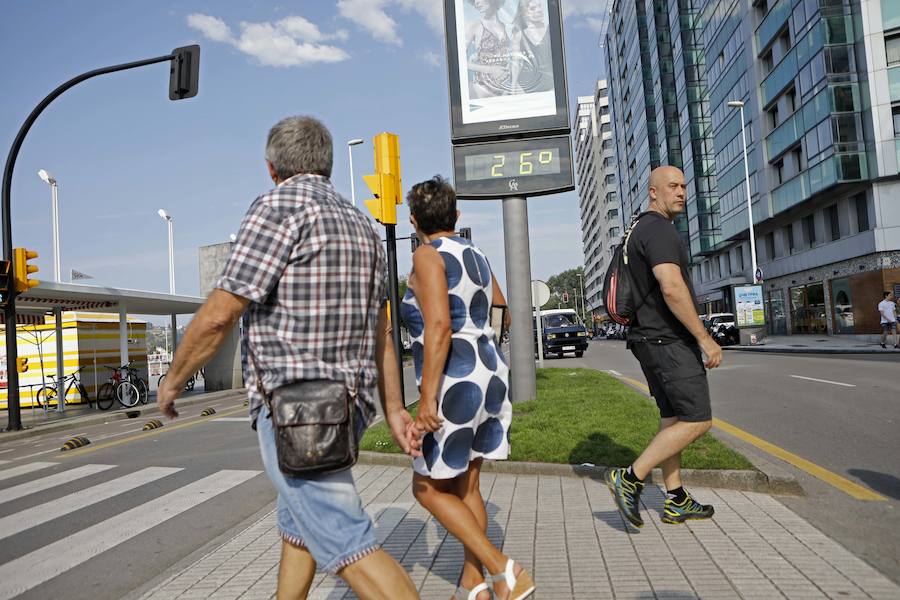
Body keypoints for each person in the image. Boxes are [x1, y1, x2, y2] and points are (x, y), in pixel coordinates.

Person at [157, 116, 420, 600]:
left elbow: (221, 312)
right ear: (329, 164)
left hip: (296, 410)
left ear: (271, 167)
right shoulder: (361, 222)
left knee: (347, 541)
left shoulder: (277, 208)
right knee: (299, 525)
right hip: (347, 406)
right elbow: (382, 328)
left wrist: (174, 380)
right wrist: (396, 407)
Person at [400, 176, 534, 600]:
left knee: (425, 488)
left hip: (454, 383)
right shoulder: (475, 253)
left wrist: (425, 402)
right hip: (490, 375)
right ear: (456, 215)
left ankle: (502, 569)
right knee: (468, 487)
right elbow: (502, 312)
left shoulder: (426, 255)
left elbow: (439, 326)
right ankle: (473, 582)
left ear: (413, 219)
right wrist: (482, 342)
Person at [605, 166, 722, 529]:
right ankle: (630, 478)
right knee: (698, 420)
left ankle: (675, 499)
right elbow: (671, 287)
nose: (682, 192)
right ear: (653, 192)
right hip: (667, 341)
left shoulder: (639, 228)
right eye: (673, 186)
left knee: (672, 419)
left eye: (684, 186)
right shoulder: (659, 230)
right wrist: (704, 338)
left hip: (647, 339)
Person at [466, 0, 512, 99]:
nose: (476, 3)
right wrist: (490, 69)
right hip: (482, 90)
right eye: (474, 1)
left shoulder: (505, 26)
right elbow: (459, 61)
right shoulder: (474, 26)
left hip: (504, 89)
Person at [509, 0, 554, 94]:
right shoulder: (519, 35)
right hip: (526, 86)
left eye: (539, 6)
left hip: (550, 85)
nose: (538, 10)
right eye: (533, 8)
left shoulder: (551, 30)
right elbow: (515, 62)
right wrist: (513, 87)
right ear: (524, 13)